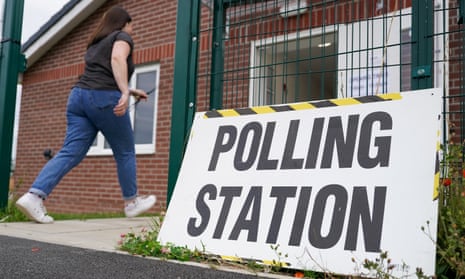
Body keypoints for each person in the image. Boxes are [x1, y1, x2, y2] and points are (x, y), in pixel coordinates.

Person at [16, 6, 156, 224]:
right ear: (124, 24)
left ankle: (33, 196)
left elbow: (101, 71)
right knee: (125, 150)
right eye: (131, 25)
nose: (132, 30)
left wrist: (131, 90)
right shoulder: (122, 36)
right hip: (103, 98)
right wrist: (124, 90)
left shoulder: (95, 42)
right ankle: (131, 202)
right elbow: (118, 60)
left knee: (70, 151)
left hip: (78, 97)